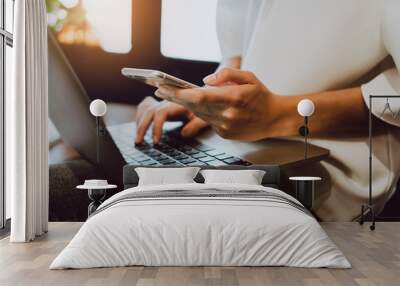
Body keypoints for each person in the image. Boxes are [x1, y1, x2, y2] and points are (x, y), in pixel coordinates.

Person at [135, 0, 400, 221]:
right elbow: (236, 49)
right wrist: (209, 101)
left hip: (325, 174)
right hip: (237, 148)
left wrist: (277, 115)